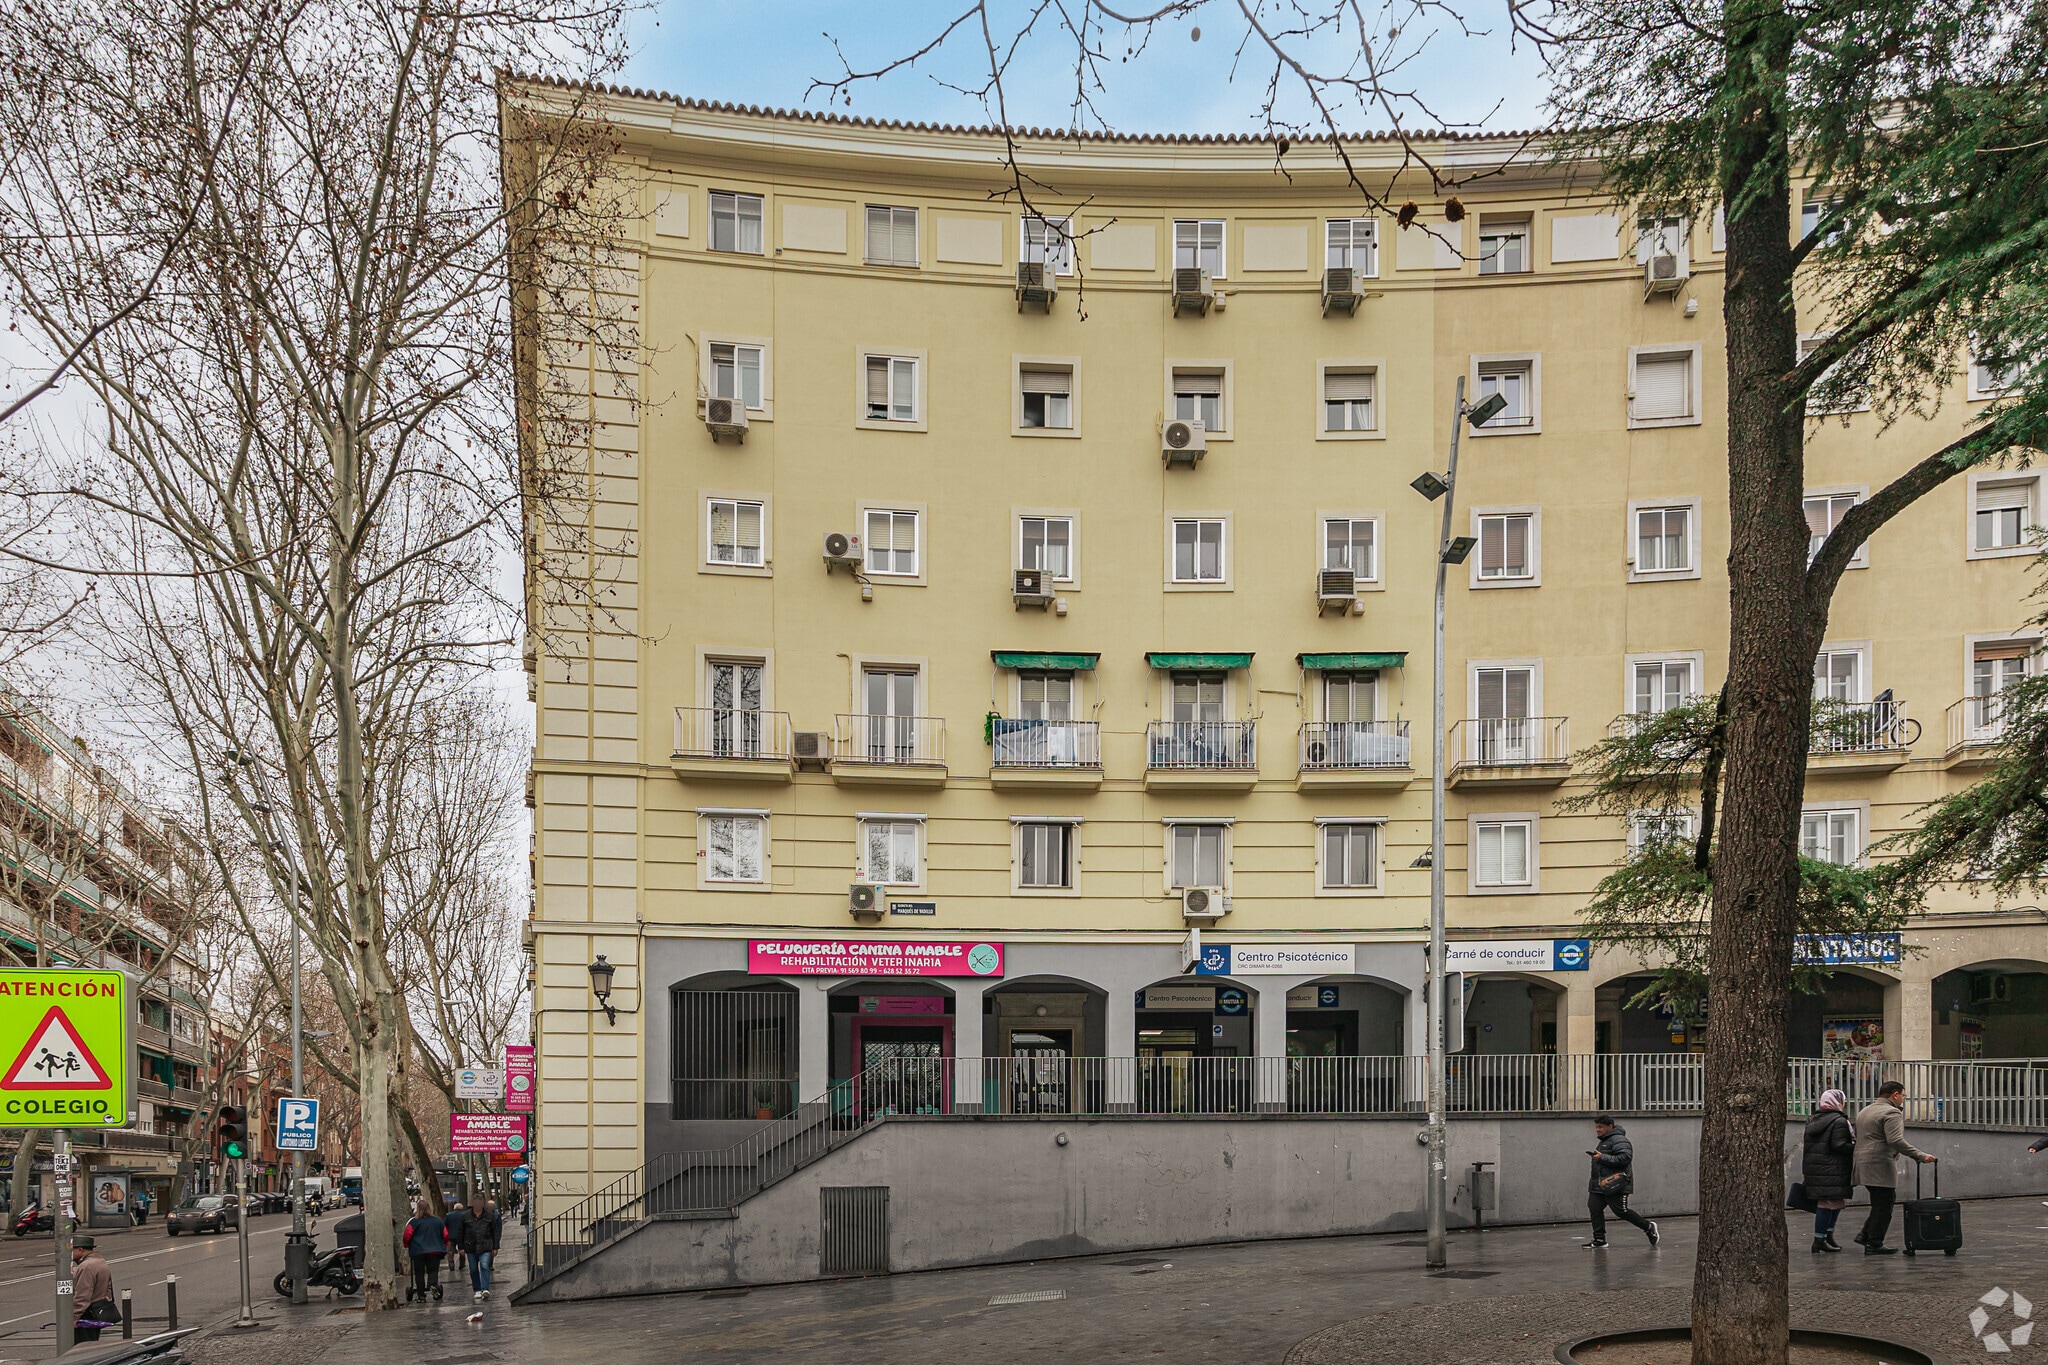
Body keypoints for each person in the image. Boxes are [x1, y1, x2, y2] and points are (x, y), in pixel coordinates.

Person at [1852, 1078, 1936, 1254]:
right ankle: (1874, 1243)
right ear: (1895, 1094)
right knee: (1885, 1205)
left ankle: (1865, 1235)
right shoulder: (1891, 1112)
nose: (1903, 1099)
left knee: (1880, 1203)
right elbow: (1896, 1140)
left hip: (1862, 1162)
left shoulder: (1865, 1110)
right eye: (1903, 1095)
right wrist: (1920, 1155)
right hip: (1879, 1164)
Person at [1584, 1115, 1659, 1249]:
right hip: (1599, 1184)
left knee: (1621, 1211)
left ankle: (1648, 1227)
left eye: (1601, 1127)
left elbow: (1625, 1158)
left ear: (1610, 1126)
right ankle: (1599, 1239)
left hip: (1615, 1184)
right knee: (1594, 1208)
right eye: (1596, 1127)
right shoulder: (1604, 1141)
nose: (1598, 1130)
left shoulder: (1619, 1140)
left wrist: (1602, 1157)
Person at [1801, 1089, 1856, 1252]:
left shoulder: (1813, 1119)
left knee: (1834, 1202)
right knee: (1827, 1203)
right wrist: (1856, 1147)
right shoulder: (1839, 1121)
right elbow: (1839, 1145)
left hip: (1816, 1168)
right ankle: (1819, 1239)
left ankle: (1826, 1236)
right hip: (1833, 1168)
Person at [401, 1199, 448, 1302]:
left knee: (419, 1273)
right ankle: (433, 1284)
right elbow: (445, 1234)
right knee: (433, 1270)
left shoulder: (413, 1222)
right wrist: (443, 1244)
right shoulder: (438, 1221)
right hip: (435, 1250)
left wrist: (406, 1245)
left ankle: (421, 1295)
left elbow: (407, 1235)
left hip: (418, 1251)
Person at [70, 1236, 116, 1341]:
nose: (69, 1253)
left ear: (80, 1250)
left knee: (81, 1346)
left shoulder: (86, 1266)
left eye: (71, 1250)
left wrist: (73, 1318)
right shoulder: (100, 1261)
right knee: (91, 1343)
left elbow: (82, 1295)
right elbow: (108, 1289)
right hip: (95, 1312)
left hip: (85, 1315)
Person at [465, 1197, 502, 1300]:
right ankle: (477, 1289)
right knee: (473, 1269)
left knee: (484, 1266)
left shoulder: (490, 1216)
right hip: (471, 1246)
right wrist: (461, 1247)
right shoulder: (465, 1216)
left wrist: (495, 1247)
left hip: (486, 1245)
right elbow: (461, 1231)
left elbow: (495, 1232)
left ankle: (485, 1288)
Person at [444, 1198, 471, 1276]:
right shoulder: (464, 1215)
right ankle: (462, 1264)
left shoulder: (448, 1215)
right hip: (461, 1236)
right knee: (461, 1250)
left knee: (450, 1252)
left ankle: (451, 1265)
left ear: (454, 1208)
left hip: (450, 1236)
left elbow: (444, 1225)